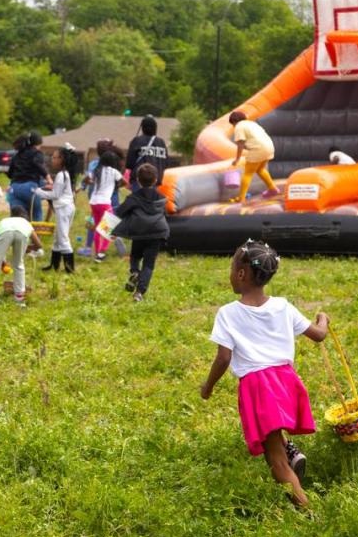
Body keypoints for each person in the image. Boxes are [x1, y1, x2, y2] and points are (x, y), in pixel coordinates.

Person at [200, 239, 330, 508]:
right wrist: (323, 319)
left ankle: (305, 510)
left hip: (259, 387)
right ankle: (291, 454)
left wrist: (208, 386)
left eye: (231, 268)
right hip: (287, 381)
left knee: (275, 460)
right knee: (276, 437)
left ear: (240, 274)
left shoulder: (228, 313)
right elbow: (318, 336)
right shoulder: (283, 306)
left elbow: (223, 357)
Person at [112, 163, 170, 302]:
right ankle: (139, 293)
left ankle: (134, 272)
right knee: (149, 264)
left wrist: (107, 228)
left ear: (138, 179)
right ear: (156, 179)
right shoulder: (162, 197)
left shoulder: (133, 197)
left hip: (139, 232)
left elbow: (120, 212)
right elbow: (165, 213)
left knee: (135, 256)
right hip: (157, 233)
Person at [0, 206, 42, 309]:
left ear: (12, 215)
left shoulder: (4, 221)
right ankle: (19, 298)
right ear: (24, 216)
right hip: (22, 234)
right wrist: (29, 247)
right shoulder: (26, 223)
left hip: (4, 233)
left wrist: (2, 261)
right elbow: (39, 244)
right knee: (19, 265)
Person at [35, 145, 79, 273]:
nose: (52, 160)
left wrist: (39, 192)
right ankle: (54, 265)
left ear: (62, 159)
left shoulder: (61, 175)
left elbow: (55, 195)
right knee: (58, 236)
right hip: (66, 207)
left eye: (55, 158)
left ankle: (70, 269)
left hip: (63, 209)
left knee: (63, 237)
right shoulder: (65, 174)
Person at [229, 111, 278, 203]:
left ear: (234, 121)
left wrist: (237, 159)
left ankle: (241, 198)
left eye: (233, 124)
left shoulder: (239, 126)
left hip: (258, 149)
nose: (233, 126)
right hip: (269, 147)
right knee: (260, 169)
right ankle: (272, 189)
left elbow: (240, 143)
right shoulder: (252, 124)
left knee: (247, 173)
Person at [85, 150, 125, 262]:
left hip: (94, 202)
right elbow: (125, 182)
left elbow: (87, 179)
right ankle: (102, 253)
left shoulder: (96, 170)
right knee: (110, 228)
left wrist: (90, 181)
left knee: (98, 228)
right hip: (105, 203)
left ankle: (97, 253)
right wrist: (116, 186)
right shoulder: (114, 172)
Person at [7, 132, 50, 222]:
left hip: (14, 189)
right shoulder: (37, 153)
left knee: (17, 219)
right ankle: (36, 235)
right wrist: (48, 178)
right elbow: (38, 164)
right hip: (29, 188)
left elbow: (10, 174)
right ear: (38, 144)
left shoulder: (17, 155)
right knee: (36, 215)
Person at [125, 114, 168, 191]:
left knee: (138, 202)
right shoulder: (161, 142)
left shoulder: (137, 141)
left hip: (139, 183)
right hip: (156, 182)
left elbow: (129, 164)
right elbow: (166, 163)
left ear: (143, 127)